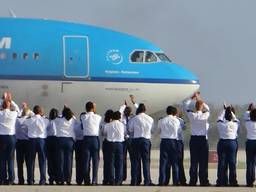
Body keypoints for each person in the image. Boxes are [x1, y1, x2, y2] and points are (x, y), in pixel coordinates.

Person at [183, 92, 210, 186]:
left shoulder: (192, 115)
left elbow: (185, 106)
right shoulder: (205, 115)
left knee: (194, 162)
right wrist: (199, 98)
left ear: (195, 107)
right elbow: (207, 109)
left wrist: (192, 98)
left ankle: (192, 181)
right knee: (203, 162)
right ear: (202, 107)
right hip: (203, 140)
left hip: (194, 140)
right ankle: (204, 181)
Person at [128, 103, 154, 186]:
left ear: (138, 109)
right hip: (146, 140)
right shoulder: (150, 119)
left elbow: (130, 129)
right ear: (145, 110)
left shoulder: (134, 118)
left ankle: (134, 181)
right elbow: (152, 130)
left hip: (136, 140)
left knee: (135, 162)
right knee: (146, 162)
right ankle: (147, 181)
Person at [24, 105, 49, 185]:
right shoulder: (45, 120)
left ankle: (30, 180)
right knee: (42, 161)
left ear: (34, 111)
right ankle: (42, 180)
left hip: (32, 141)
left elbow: (24, 123)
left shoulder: (29, 119)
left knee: (31, 161)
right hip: (42, 141)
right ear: (41, 112)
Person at [119, 95, 141, 184]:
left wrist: (133, 102)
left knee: (134, 160)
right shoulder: (121, 117)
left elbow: (139, 110)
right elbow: (119, 112)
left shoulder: (133, 117)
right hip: (125, 140)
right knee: (122, 160)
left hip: (130, 140)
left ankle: (135, 179)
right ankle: (122, 177)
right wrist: (124, 106)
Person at [216, 106, 239, 186]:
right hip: (232, 143)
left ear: (225, 117)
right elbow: (236, 119)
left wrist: (224, 110)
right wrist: (230, 112)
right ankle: (233, 182)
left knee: (221, 163)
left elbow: (219, 118)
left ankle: (221, 181)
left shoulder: (221, 124)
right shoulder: (235, 124)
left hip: (222, 142)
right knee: (232, 163)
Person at [157, 106, 180, 186]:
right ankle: (176, 181)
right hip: (173, 141)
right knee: (175, 163)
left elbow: (159, 131)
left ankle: (162, 181)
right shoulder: (177, 120)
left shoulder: (161, 120)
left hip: (164, 141)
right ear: (174, 112)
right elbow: (179, 131)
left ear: (167, 112)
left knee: (163, 163)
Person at [80, 101, 102, 185]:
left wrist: (92, 108)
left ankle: (86, 180)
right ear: (93, 108)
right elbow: (96, 115)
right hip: (95, 139)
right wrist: (94, 109)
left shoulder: (83, 116)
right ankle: (94, 180)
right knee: (95, 161)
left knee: (86, 161)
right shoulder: (98, 117)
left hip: (86, 139)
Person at [54, 106, 77, 185]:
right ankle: (68, 179)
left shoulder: (59, 120)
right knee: (69, 161)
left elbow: (57, 117)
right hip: (70, 141)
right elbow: (73, 116)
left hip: (60, 140)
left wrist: (63, 111)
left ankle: (61, 179)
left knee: (60, 161)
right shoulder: (73, 120)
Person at [103, 111, 126, 185]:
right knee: (119, 163)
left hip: (110, 144)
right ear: (119, 117)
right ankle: (119, 180)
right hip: (119, 144)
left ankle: (111, 180)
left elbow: (104, 133)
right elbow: (125, 133)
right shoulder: (122, 125)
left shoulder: (108, 125)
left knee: (111, 163)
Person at [0, 100, 18, 185]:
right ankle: (11, 180)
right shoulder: (13, 113)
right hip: (11, 137)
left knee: (2, 159)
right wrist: (11, 101)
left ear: (2, 106)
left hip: (1, 137)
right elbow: (17, 109)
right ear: (9, 106)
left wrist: (2, 101)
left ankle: (2, 179)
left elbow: (2, 107)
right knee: (10, 159)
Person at [15, 107, 32, 185]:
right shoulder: (30, 120)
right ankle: (30, 180)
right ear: (28, 113)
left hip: (19, 142)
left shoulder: (17, 120)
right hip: (28, 143)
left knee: (19, 163)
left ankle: (20, 180)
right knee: (29, 162)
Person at [46, 108, 59, 185]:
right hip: (56, 140)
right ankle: (57, 178)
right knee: (57, 160)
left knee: (50, 160)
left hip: (49, 140)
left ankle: (51, 178)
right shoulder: (58, 122)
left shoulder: (48, 122)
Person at [101, 109, 113, 185]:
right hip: (113, 143)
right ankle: (112, 178)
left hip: (106, 142)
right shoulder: (115, 123)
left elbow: (102, 133)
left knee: (106, 162)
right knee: (112, 162)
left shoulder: (103, 124)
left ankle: (105, 179)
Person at [245, 108, 256, 187]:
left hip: (250, 142)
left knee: (250, 163)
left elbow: (246, 115)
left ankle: (250, 182)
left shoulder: (248, 123)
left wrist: (249, 110)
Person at [74, 112, 86, 185]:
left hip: (78, 143)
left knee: (78, 162)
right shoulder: (87, 126)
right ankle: (86, 178)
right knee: (85, 162)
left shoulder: (76, 126)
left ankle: (79, 180)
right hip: (84, 143)